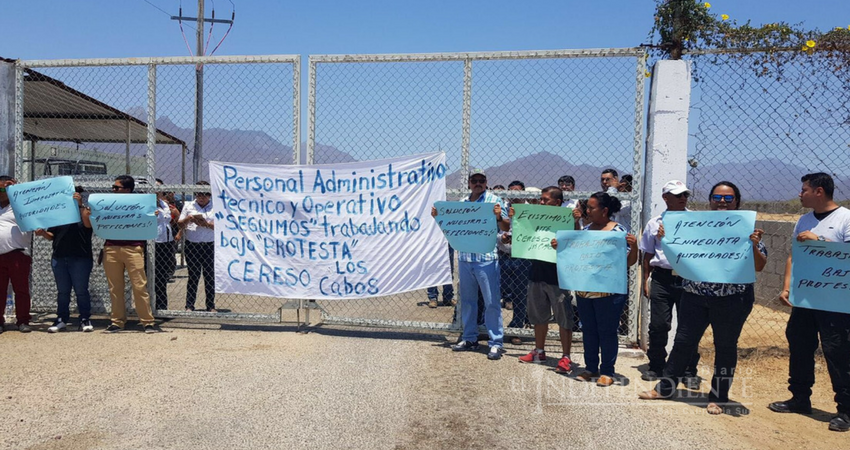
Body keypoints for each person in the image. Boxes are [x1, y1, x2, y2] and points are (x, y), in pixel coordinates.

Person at [639, 181, 767, 416]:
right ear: (710, 199)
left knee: (725, 347)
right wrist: (667, 239)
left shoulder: (746, 227)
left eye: (728, 199)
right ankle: (665, 388)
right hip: (695, 295)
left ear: (736, 201)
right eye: (717, 197)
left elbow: (759, 266)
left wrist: (755, 246)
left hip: (732, 299)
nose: (722, 202)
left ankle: (719, 397)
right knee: (683, 343)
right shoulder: (696, 224)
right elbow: (677, 255)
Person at [768, 173, 850, 432]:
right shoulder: (804, 220)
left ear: (819, 191)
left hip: (835, 300)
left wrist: (822, 241)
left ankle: (846, 410)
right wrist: (786, 287)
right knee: (800, 344)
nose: (800, 194)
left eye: (804, 190)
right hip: (806, 298)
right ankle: (799, 398)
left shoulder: (845, 219)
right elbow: (794, 256)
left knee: (837, 351)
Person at [552, 191, 638, 386]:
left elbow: (629, 263)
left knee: (607, 332)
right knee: (588, 330)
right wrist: (560, 247)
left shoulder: (618, 233)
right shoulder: (586, 231)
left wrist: (635, 247)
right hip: (585, 291)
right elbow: (574, 256)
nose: (587, 211)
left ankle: (607, 370)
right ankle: (591, 368)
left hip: (610, 294)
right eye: (587, 208)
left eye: (591, 208)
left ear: (604, 210)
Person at [432, 170, 510, 360]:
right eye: (474, 181)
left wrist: (499, 217)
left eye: (481, 181)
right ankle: (469, 338)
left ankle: (496, 342)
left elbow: (507, 227)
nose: (477, 183)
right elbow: (451, 225)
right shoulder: (462, 203)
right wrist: (437, 216)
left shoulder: (495, 201)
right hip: (466, 259)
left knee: (492, 302)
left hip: (487, 259)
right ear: (468, 183)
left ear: (486, 183)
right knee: (467, 301)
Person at [639, 180, 701, 386]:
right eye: (677, 195)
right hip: (662, 278)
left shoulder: (696, 221)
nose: (683, 198)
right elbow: (647, 255)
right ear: (666, 198)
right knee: (658, 324)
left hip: (688, 278)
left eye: (685, 194)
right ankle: (656, 365)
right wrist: (645, 281)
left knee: (689, 326)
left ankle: (688, 369)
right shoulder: (655, 223)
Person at [516, 186, 581, 372]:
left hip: (559, 277)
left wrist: (575, 222)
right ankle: (539, 350)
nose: (542, 202)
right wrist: (516, 215)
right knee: (538, 315)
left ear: (557, 202)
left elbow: (577, 239)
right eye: (541, 199)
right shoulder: (535, 216)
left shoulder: (567, 219)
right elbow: (523, 234)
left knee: (564, 317)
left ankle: (566, 356)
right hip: (536, 273)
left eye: (545, 200)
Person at [34, 186, 95, 333]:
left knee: (81, 290)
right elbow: (52, 236)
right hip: (59, 257)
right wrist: (43, 233)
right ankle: (61, 319)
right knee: (62, 291)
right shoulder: (58, 214)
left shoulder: (85, 211)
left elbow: (88, 225)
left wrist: (79, 205)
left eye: (76, 194)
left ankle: (85, 318)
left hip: (80, 257)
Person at [103, 175, 157, 333]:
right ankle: (117, 321)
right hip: (111, 247)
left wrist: (153, 216)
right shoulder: (107, 203)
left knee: (139, 286)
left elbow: (150, 219)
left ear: (127, 189)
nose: (113, 190)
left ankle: (147, 321)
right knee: (115, 288)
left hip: (133, 248)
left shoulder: (140, 203)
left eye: (116, 188)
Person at [0, 176, 33, 333]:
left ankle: (23, 320)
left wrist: (14, 188)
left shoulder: (21, 206)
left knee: (21, 290)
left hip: (17, 254)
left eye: (4, 189)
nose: (1, 192)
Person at [179, 181, 216, 312]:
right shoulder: (189, 205)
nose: (202, 197)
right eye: (199, 194)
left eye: (205, 194)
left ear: (210, 195)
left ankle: (210, 305)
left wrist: (205, 224)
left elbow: (220, 226)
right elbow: (179, 224)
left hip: (209, 245)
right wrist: (188, 219)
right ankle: (189, 305)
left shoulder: (215, 206)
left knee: (209, 275)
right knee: (193, 275)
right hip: (192, 245)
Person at [500, 181, 531, 328]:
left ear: (524, 192)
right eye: (510, 191)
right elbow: (498, 229)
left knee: (520, 293)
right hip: (503, 254)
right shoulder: (502, 208)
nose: (513, 195)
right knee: (496, 291)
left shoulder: (531, 210)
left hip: (522, 257)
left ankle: (517, 326)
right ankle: (490, 326)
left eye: (517, 191)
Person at [154, 179, 178, 310]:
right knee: (151, 276)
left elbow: (168, 221)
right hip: (153, 243)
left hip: (166, 242)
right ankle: (149, 306)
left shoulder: (164, 204)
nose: (157, 190)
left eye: (159, 188)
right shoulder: (146, 204)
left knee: (162, 276)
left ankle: (162, 306)